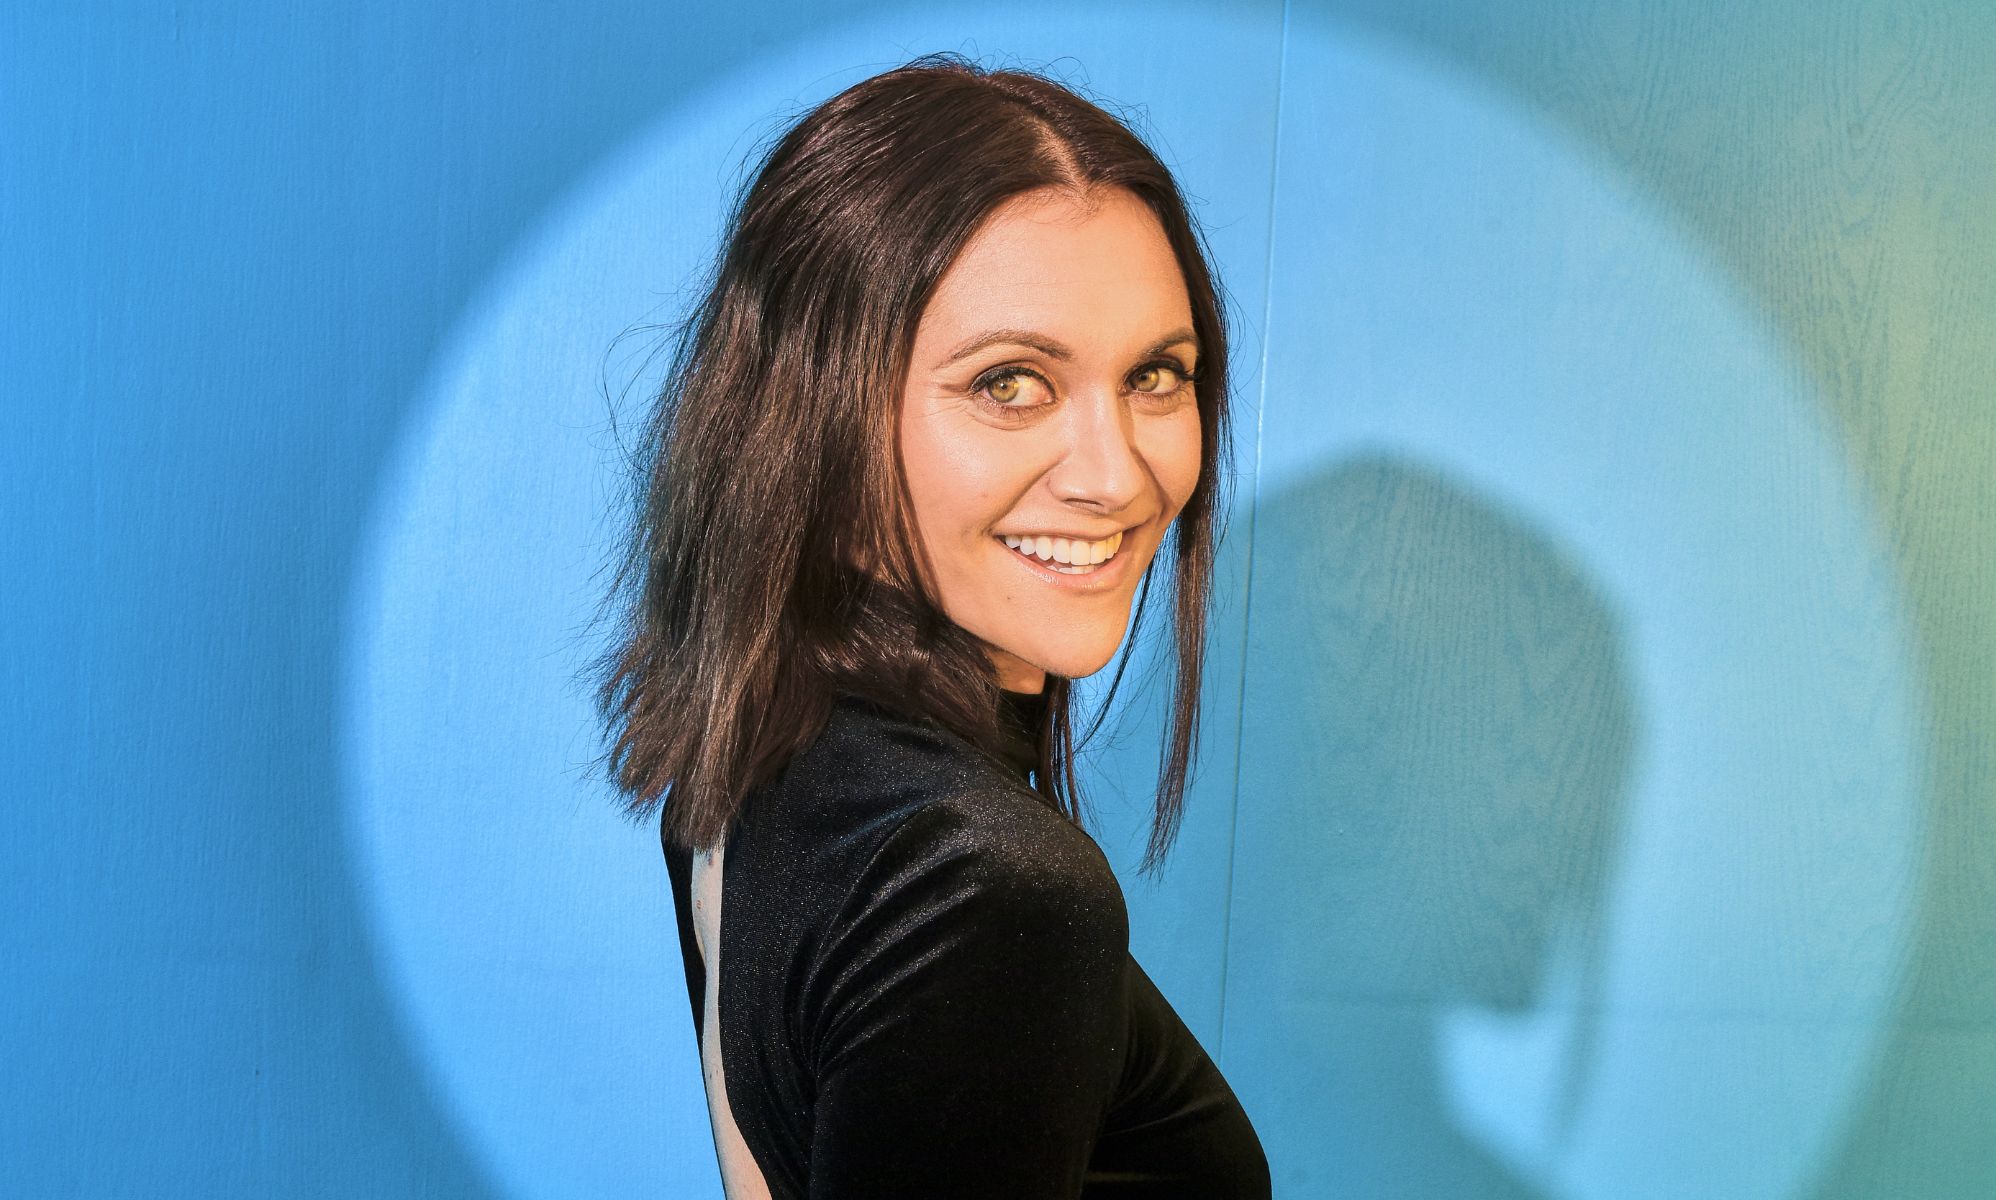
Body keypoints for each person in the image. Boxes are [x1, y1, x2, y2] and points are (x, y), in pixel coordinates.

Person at [593, 50, 1270, 1198]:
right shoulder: (992, 887)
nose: (1115, 476)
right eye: (1010, 383)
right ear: (816, 419)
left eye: (1156, 375)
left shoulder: (758, 760)